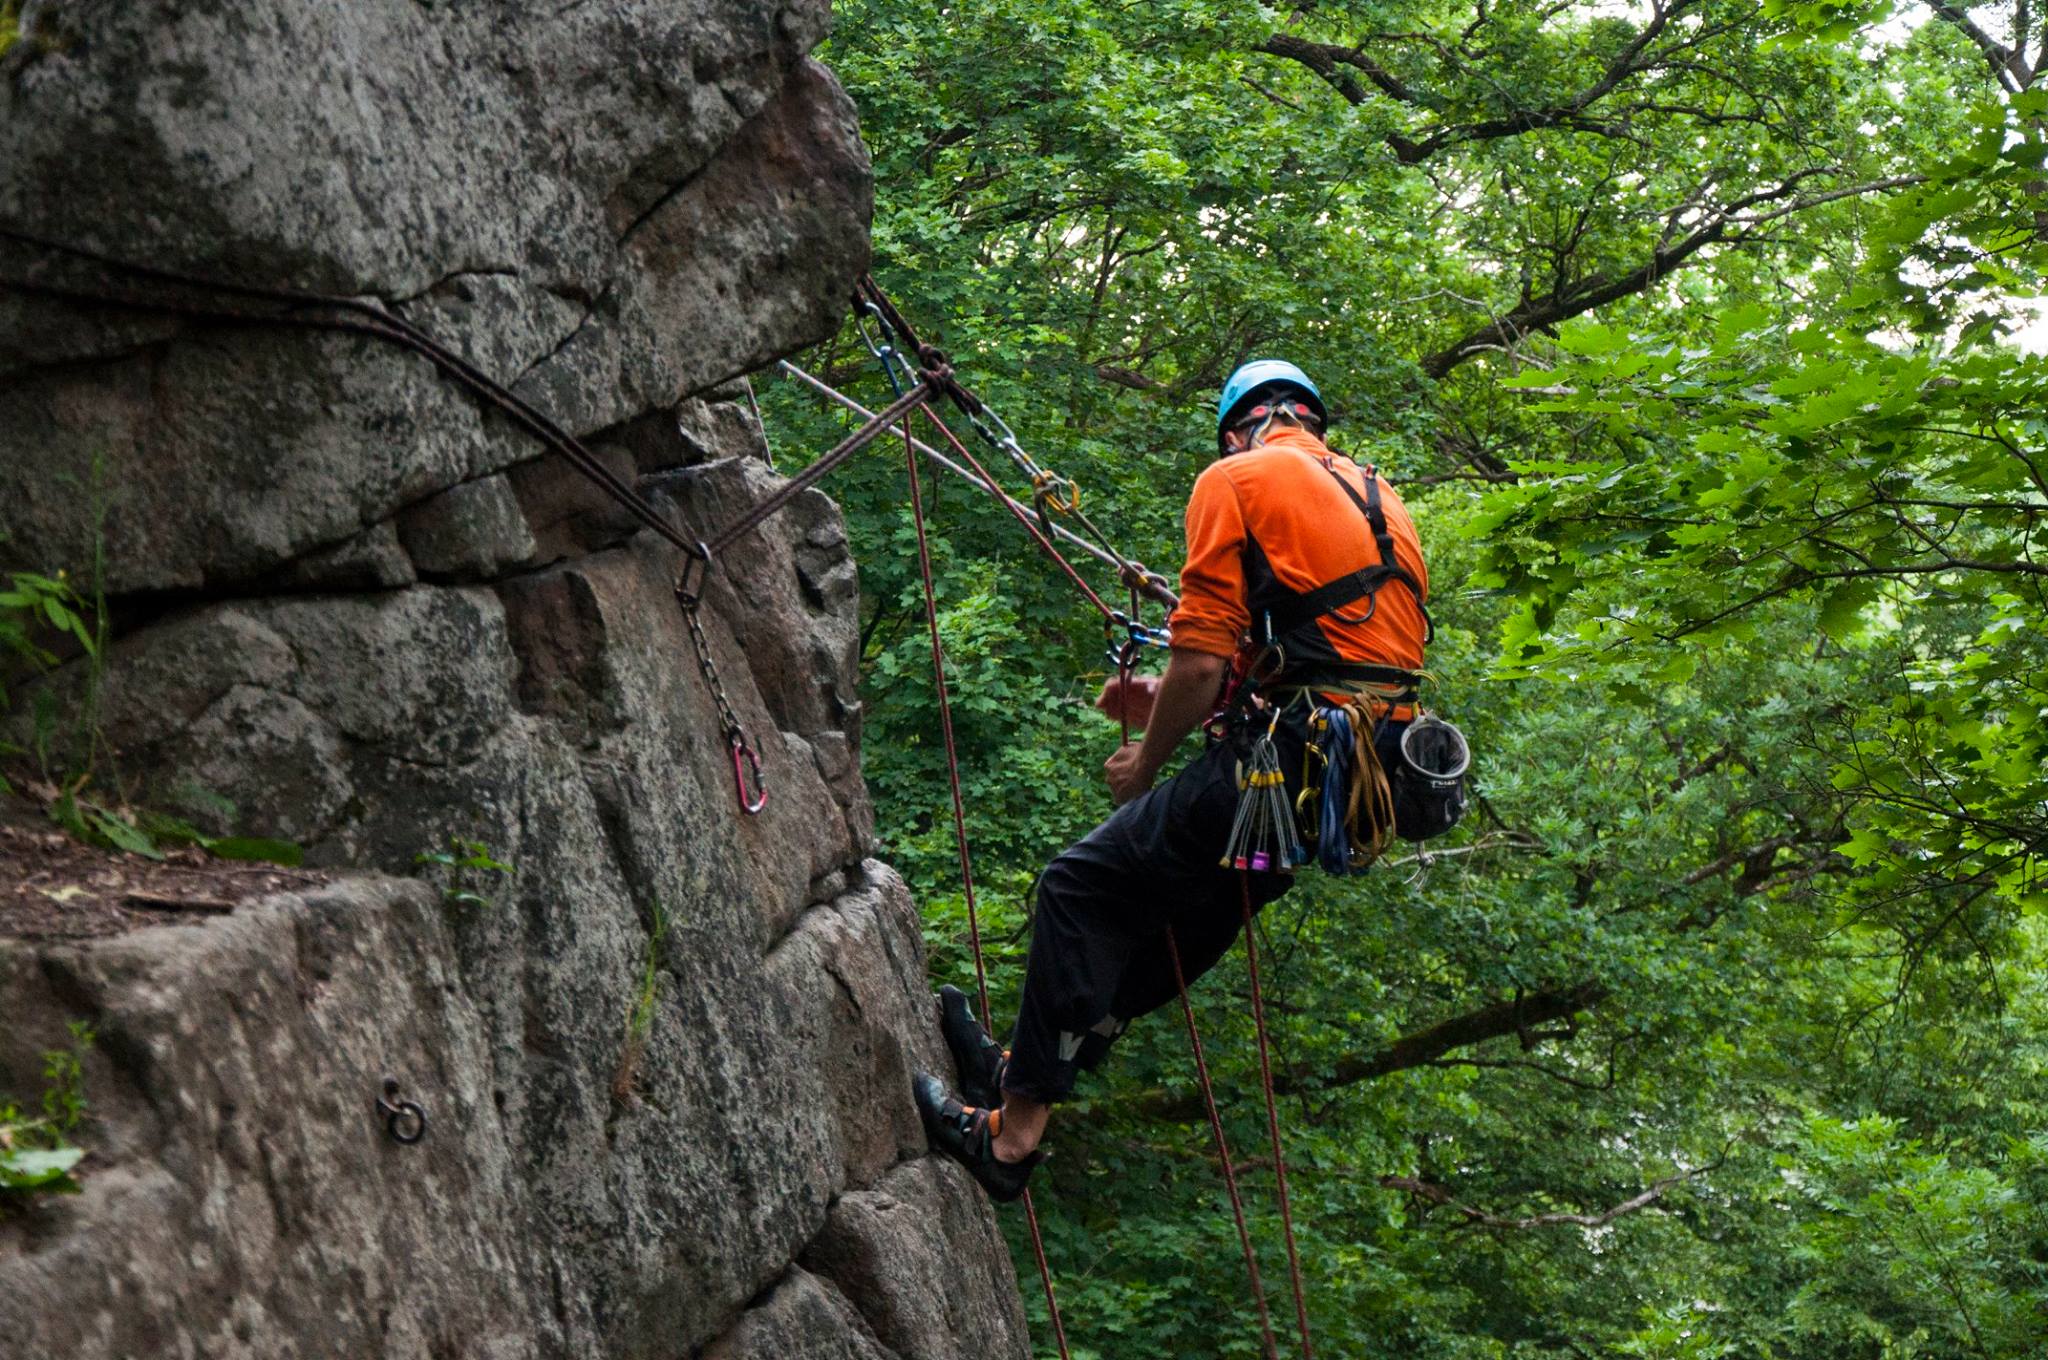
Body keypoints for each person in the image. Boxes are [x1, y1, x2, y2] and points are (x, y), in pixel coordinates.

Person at [912, 359, 1431, 1201]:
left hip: (1275, 774)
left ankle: (1010, 1139)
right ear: (1311, 423)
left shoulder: (1237, 476)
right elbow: (1321, 652)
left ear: (1238, 428)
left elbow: (1199, 662)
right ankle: (1030, 1069)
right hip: (1330, 798)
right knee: (1201, 910)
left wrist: (1144, 758)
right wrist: (1174, 696)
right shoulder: (1380, 500)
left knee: (1079, 889)